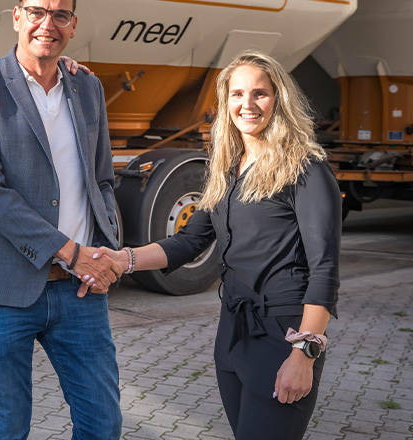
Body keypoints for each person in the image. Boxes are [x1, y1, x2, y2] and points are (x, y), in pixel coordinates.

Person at [89, 50, 340, 440]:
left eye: (260, 93)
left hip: (284, 334)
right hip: (233, 332)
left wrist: (304, 353)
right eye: (237, 94)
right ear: (226, 102)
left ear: (279, 99)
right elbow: (190, 241)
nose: (247, 104)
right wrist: (123, 259)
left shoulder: (305, 168)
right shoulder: (227, 168)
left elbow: (324, 268)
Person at [0, 0, 124, 440]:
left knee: (103, 423)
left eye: (60, 15)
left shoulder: (87, 87)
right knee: (7, 426)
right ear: (17, 17)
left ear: (73, 25)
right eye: (37, 12)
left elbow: (102, 180)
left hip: (80, 291)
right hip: (3, 290)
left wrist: (106, 253)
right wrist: (69, 251)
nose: (47, 24)